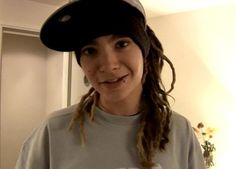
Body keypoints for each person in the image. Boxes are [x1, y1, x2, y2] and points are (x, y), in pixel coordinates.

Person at [15, 0, 205, 169]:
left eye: (121, 44)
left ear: (144, 52)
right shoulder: (54, 130)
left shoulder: (180, 131)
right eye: (90, 50)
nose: (108, 65)